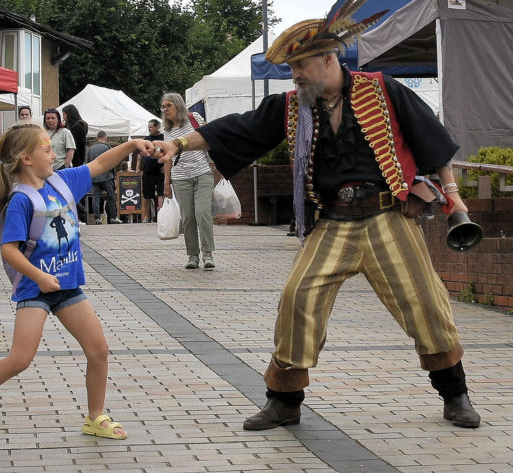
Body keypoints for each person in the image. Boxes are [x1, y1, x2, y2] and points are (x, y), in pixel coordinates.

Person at [155, 9, 481, 430]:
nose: (295, 76)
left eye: (300, 66)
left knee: (425, 303)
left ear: (329, 59)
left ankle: (455, 395)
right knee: (298, 299)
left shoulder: (383, 89)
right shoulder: (292, 107)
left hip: (387, 217)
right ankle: (285, 401)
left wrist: (454, 201)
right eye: (291, 68)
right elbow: (237, 128)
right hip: (332, 222)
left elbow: (432, 144)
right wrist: (177, 146)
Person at [0, 123, 155, 449]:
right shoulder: (21, 202)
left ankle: (95, 416)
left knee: (98, 351)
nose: (53, 154)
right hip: (35, 289)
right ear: (27, 158)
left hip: (67, 287)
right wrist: (39, 276)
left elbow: (99, 165)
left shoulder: (62, 182)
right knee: (20, 359)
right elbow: (8, 250)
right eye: (46, 149)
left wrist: (131, 145)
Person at [160, 93, 215, 270]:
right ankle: (193, 255)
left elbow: (210, 139)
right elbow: (167, 157)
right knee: (188, 218)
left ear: (178, 105)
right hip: (180, 177)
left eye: (168, 105)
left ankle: (208, 253)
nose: (165, 109)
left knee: (203, 213)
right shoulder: (166, 130)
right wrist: (166, 183)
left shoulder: (194, 118)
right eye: (163, 106)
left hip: (203, 172)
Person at [87, 131, 122, 224]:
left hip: (94, 177)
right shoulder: (107, 147)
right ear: (105, 138)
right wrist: (113, 176)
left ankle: (97, 218)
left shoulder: (91, 149)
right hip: (107, 176)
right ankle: (113, 217)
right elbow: (112, 162)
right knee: (111, 197)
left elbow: (88, 163)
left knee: (96, 198)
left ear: (97, 138)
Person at [62, 105, 89, 222]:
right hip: (77, 162)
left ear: (69, 114)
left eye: (64, 114)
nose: (63, 117)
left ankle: (81, 215)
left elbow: (77, 148)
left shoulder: (77, 128)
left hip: (75, 162)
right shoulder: (75, 127)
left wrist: (75, 162)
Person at [136, 119, 165, 222]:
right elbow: (140, 155)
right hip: (148, 171)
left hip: (161, 171)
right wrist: (138, 168)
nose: (149, 129)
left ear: (157, 127)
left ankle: (161, 216)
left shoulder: (163, 138)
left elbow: (169, 153)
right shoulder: (146, 139)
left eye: (151, 127)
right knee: (147, 195)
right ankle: (146, 217)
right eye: (148, 127)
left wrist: (166, 166)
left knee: (161, 194)